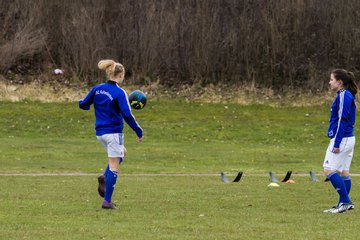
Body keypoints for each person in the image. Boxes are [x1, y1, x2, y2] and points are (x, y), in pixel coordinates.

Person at [79, 59, 143, 209]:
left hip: (100, 133)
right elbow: (127, 115)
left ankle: (104, 177)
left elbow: (83, 104)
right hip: (113, 133)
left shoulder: (97, 89)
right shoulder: (119, 92)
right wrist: (138, 130)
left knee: (122, 153)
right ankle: (107, 201)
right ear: (120, 76)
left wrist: (89, 105)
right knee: (114, 166)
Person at [323, 69, 358, 213]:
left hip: (342, 139)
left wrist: (336, 143)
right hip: (348, 138)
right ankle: (342, 204)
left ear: (339, 82)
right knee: (344, 172)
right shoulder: (345, 95)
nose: (329, 82)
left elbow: (342, 121)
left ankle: (345, 201)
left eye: (331, 79)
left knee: (328, 170)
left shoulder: (344, 95)